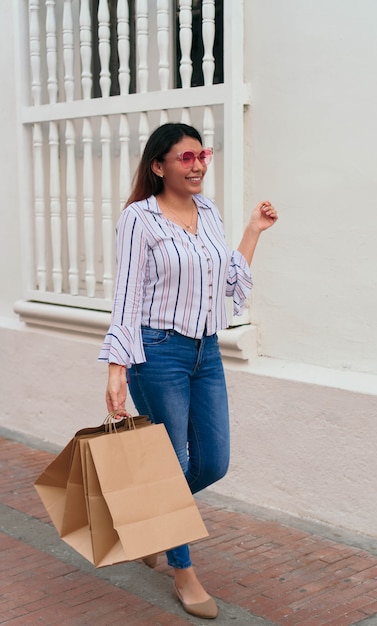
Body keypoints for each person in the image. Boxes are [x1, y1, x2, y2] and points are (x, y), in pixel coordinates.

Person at [99, 122, 278, 619]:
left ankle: (152, 520)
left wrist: (251, 232)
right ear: (159, 166)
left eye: (204, 154)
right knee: (171, 462)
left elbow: (228, 279)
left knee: (212, 462)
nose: (198, 164)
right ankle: (184, 573)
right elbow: (126, 297)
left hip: (206, 352)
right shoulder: (140, 218)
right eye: (186, 157)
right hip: (157, 354)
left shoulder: (209, 212)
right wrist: (117, 367)